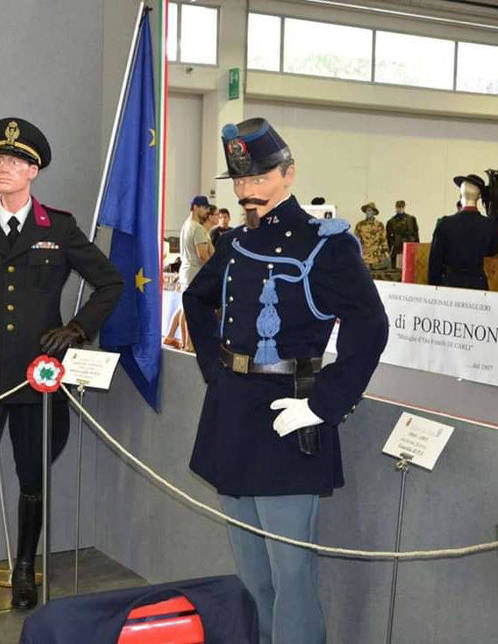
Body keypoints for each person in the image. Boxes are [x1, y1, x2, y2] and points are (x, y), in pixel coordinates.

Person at [183, 117, 388, 644]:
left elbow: (371, 326)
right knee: (253, 574)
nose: (248, 192)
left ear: (288, 174)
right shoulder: (233, 241)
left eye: (259, 179)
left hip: (288, 419)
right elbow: (196, 299)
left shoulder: (327, 245)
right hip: (233, 416)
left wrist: (324, 404)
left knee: (292, 576)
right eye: (240, 182)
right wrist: (218, 371)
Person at [0, 117, 123, 631]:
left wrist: (77, 329)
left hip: (36, 378)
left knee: (33, 481)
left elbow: (109, 283)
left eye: (16, 162)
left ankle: (25, 569)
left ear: (34, 171)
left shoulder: (57, 228)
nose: (5, 168)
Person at [428, 174, 498, 290]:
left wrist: (434, 290)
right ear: (479, 196)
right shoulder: (490, 225)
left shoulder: (444, 224)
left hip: (449, 286)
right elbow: (492, 251)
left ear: (460, 195)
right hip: (478, 288)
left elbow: (434, 265)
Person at [163, 196, 212, 351]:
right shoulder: (197, 228)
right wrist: (213, 270)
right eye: (204, 208)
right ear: (196, 207)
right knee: (191, 311)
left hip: (185, 271)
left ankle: (176, 339)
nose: (207, 211)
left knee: (184, 308)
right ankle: (189, 345)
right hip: (195, 272)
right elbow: (202, 255)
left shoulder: (186, 225)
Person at [355, 202, 390, 269]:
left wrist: (385, 252)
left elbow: (383, 240)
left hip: (376, 256)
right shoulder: (360, 225)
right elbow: (356, 240)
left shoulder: (379, 225)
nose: (368, 212)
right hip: (364, 256)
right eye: (367, 211)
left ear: (374, 212)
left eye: (370, 211)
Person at [386, 200, 419, 269]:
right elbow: (388, 237)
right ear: (396, 208)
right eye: (398, 207)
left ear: (404, 207)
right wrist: (390, 249)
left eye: (402, 207)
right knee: (396, 269)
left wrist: (417, 248)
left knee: (410, 268)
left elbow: (416, 234)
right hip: (397, 247)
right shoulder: (391, 222)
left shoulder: (411, 219)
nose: (400, 209)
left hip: (409, 246)